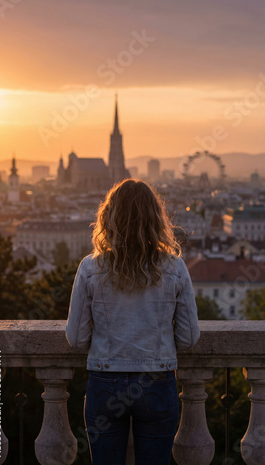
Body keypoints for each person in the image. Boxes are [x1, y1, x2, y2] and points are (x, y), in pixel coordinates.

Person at [65, 179, 200, 465]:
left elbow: (76, 338)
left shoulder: (90, 268)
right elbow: (189, 338)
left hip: (105, 381)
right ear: (155, 218)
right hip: (157, 381)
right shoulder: (174, 267)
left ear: (108, 217)